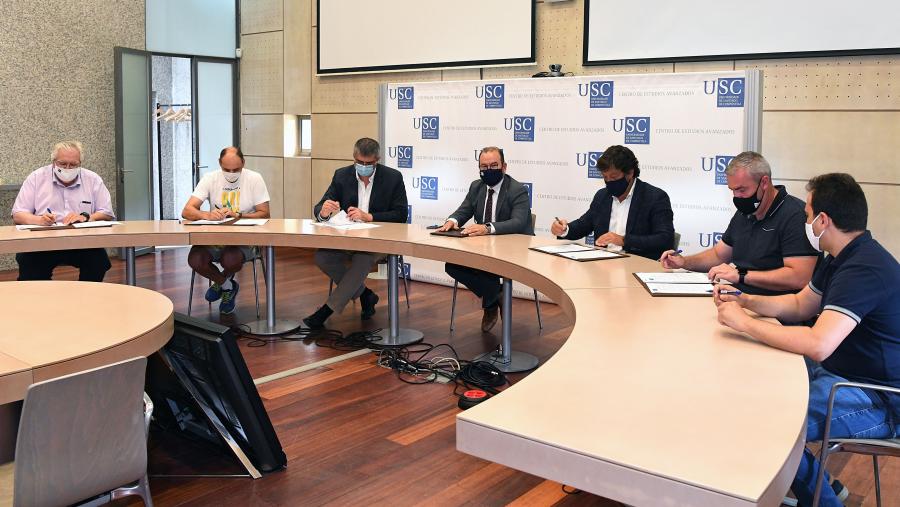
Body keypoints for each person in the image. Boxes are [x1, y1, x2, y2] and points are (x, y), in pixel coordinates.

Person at [714, 173, 899, 507]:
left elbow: (818, 343)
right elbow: (801, 303)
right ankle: (817, 487)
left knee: (766, 420)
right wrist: (744, 300)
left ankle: (819, 497)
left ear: (823, 220)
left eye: (808, 214)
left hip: (880, 400)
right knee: (750, 393)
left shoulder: (864, 269)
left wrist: (744, 324)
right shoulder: (842, 257)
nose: (806, 220)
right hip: (840, 375)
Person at [660, 151, 818, 296]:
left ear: (764, 182)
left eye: (742, 190)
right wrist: (684, 262)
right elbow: (719, 255)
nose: (737, 197)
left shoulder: (795, 215)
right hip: (739, 299)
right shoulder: (745, 212)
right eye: (732, 190)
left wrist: (742, 276)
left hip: (777, 310)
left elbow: (800, 277)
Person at [304, 137, 408, 329]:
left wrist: (370, 217)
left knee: (362, 259)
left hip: (380, 240)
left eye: (369, 163)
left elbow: (401, 214)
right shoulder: (342, 175)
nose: (364, 166)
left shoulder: (393, 177)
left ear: (377, 160)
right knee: (322, 257)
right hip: (347, 239)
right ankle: (366, 295)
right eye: (359, 162)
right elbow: (320, 207)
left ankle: (326, 310)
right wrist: (324, 212)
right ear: (353, 158)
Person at [437, 146, 532, 332]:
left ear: (504, 167)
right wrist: (452, 220)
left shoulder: (517, 189)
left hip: (513, 247)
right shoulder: (476, 186)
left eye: (493, 165)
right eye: (484, 166)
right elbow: (464, 210)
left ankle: (490, 305)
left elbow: (519, 222)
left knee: (487, 269)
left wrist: (488, 228)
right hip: (483, 247)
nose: (488, 170)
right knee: (452, 265)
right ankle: (495, 297)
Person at [181, 147, 270, 314]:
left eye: (236, 170)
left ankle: (222, 283)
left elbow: (265, 213)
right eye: (226, 169)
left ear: (243, 163)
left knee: (230, 259)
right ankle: (227, 285)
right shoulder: (210, 178)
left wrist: (239, 215)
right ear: (219, 164)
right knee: (195, 259)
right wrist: (206, 215)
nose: (231, 173)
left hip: (245, 240)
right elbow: (187, 211)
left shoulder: (254, 179)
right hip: (216, 238)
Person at [11, 140, 115, 281]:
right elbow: (18, 214)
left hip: (81, 241)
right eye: (62, 164)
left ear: (80, 163)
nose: (67, 168)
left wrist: (86, 217)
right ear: (54, 162)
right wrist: (39, 220)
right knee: (30, 267)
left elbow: (107, 212)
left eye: (73, 165)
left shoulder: (93, 179)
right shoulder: (36, 178)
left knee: (98, 261)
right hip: (43, 242)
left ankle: (88, 298)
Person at [550, 145, 673, 260]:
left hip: (636, 266)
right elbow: (583, 225)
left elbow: (664, 239)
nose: (609, 182)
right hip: (602, 265)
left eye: (613, 177)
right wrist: (564, 229)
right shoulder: (602, 196)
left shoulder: (654, 197)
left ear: (630, 173)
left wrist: (624, 240)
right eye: (605, 177)